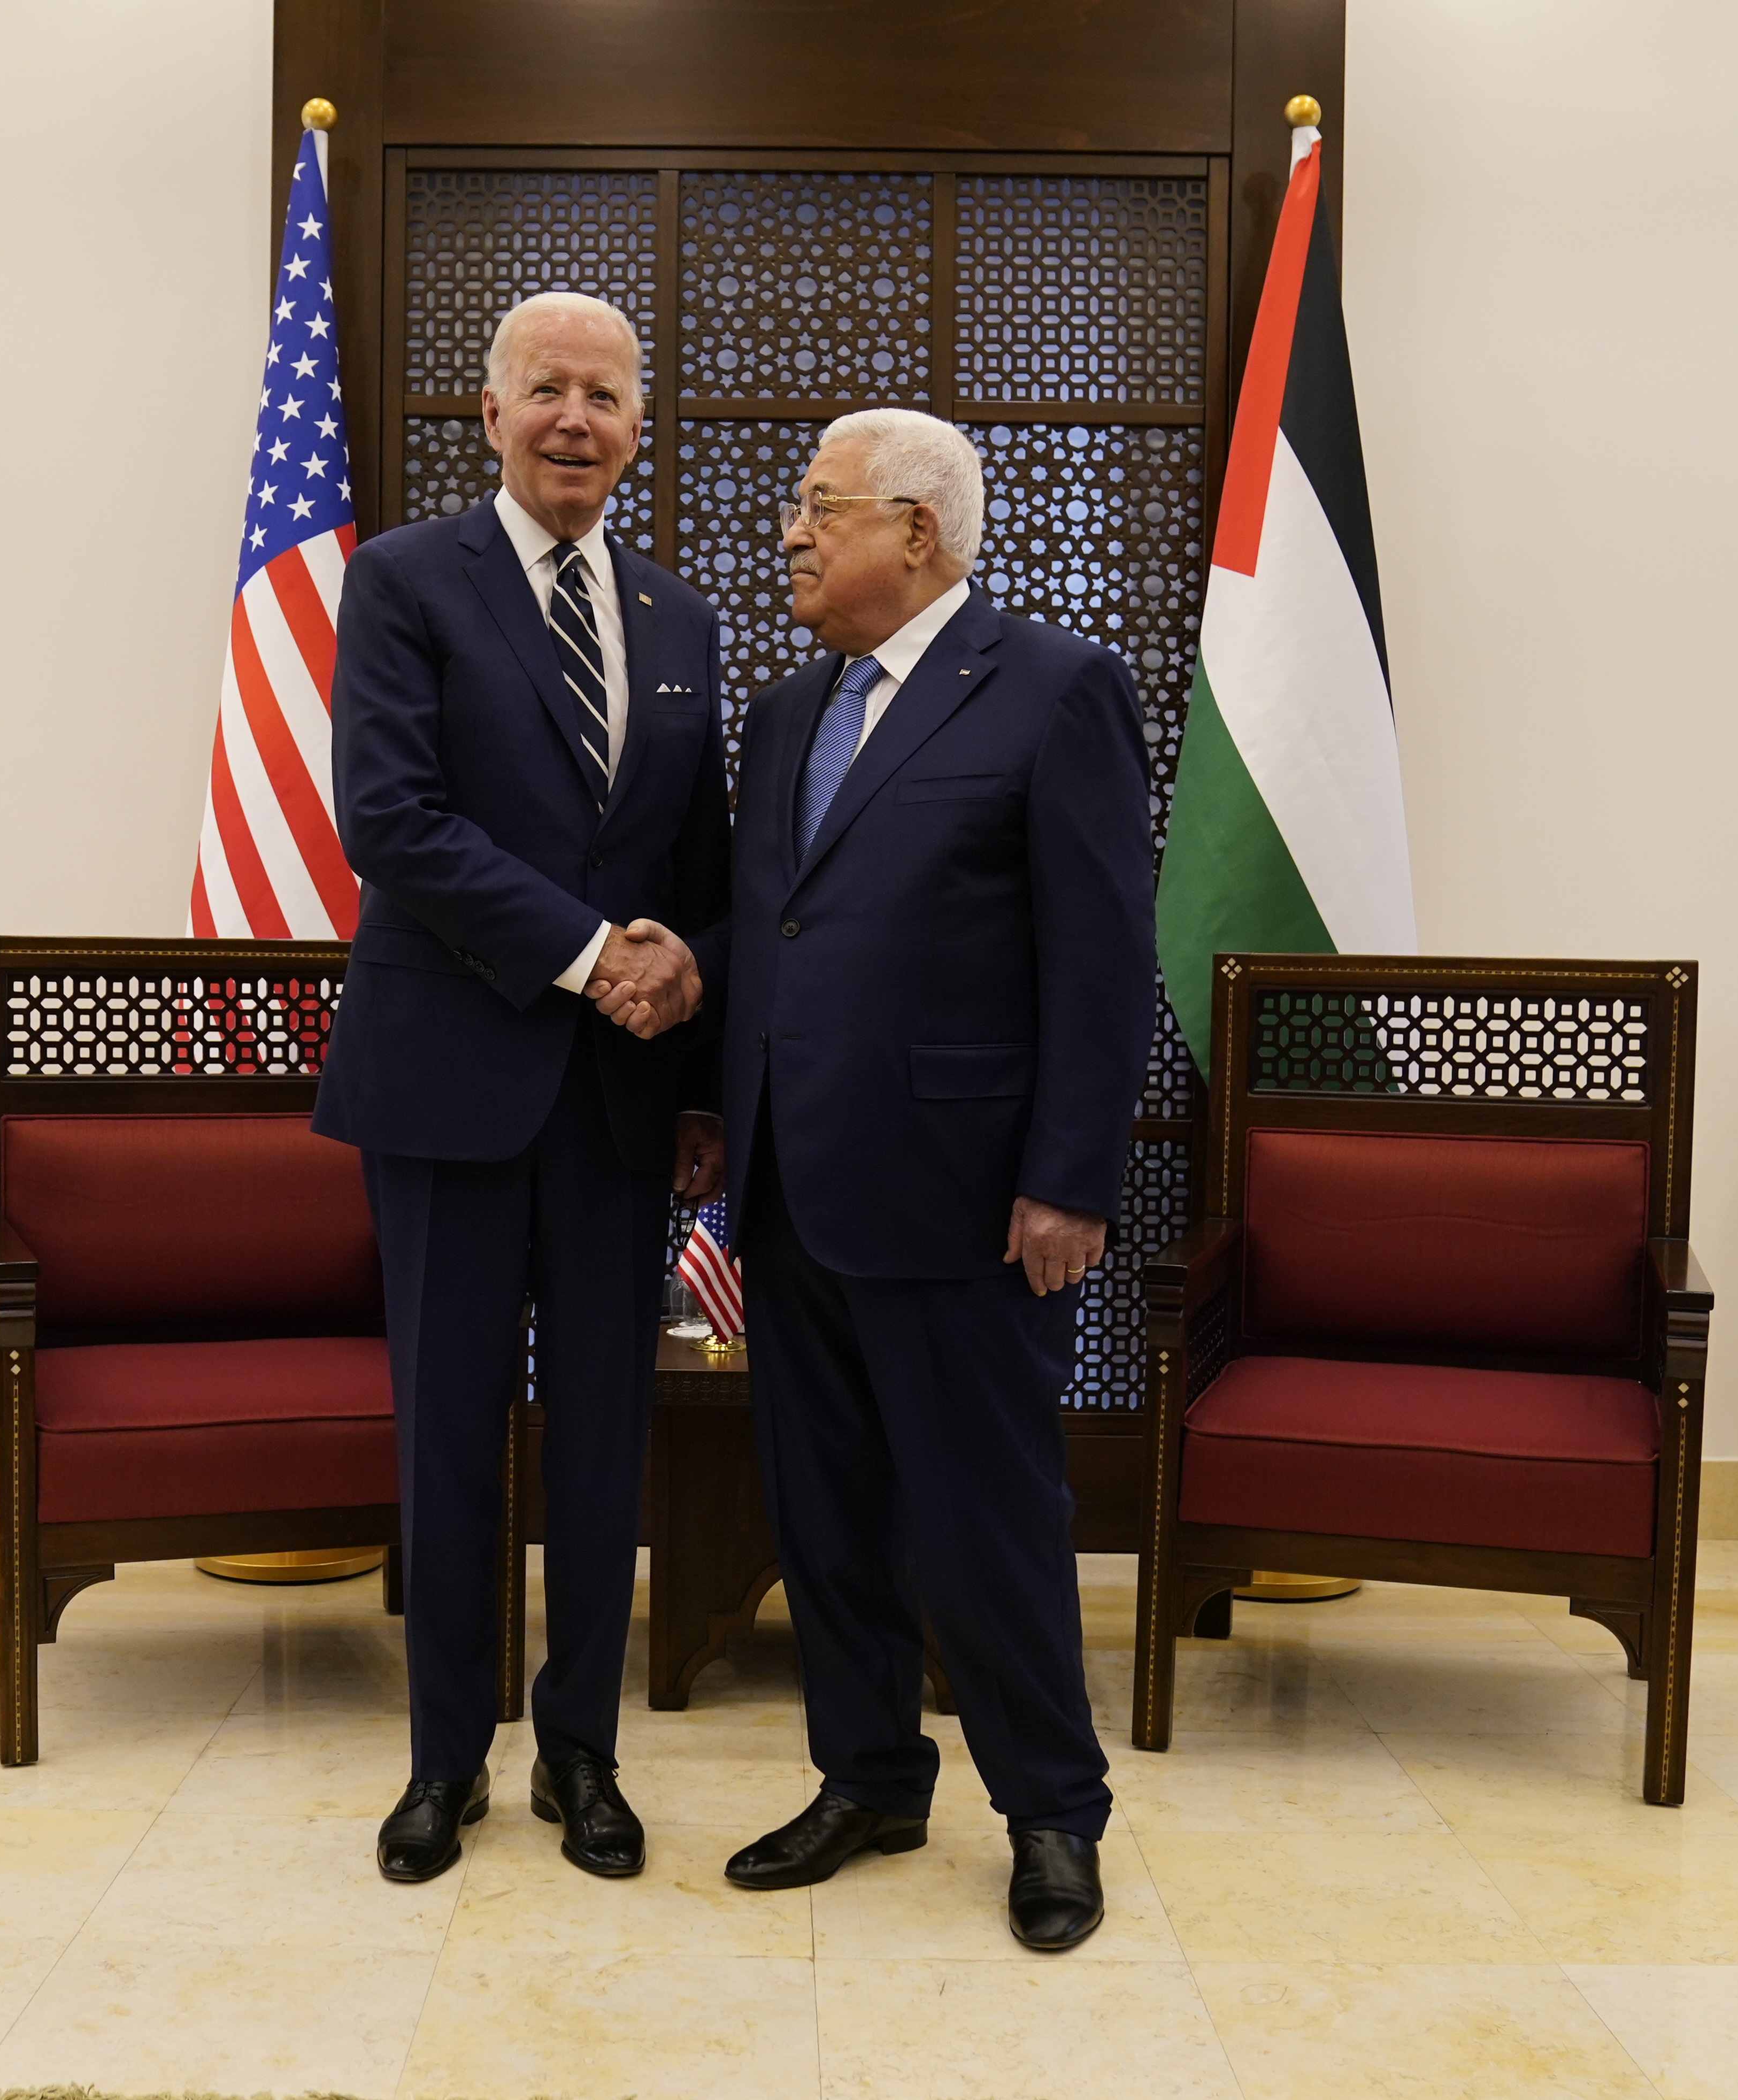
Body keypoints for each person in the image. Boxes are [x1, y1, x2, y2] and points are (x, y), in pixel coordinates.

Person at [674, 406, 1154, 1950]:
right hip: (791, 1183)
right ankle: (868, 1775)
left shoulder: (1054, 687)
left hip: (964, 1194)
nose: (793, 536)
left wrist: (1070, 1176)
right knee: (823, 1512)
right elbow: (776, 936)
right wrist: (692, 1050)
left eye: (820, 510)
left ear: (918, 535)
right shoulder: (782, 712)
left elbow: (1099, 953)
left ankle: (1051, 1814)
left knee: (981, 1516)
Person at [315, 290, 727, 1885]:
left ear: (637, 427)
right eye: (545, 390)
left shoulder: (682, 621)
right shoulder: (404, 581)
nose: (576, 419)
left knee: (606, 1435)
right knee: (446, 1432)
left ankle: (582, 1757)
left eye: (605, 395)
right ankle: (441, 1764)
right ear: (489, 418)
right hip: (448, 1085)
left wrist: (677, 990)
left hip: (623, 1105)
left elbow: (700, 861)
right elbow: (393, 820)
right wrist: (587, 952)